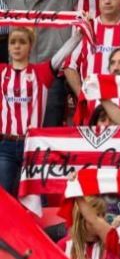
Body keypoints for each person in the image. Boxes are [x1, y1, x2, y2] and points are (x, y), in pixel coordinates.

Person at [0, 26, 81, 194]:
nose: (16, 46)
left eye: (22, 42)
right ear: (7, 46)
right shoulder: (2, 71)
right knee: (4, 198)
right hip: (5, 145)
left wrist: (81, 30)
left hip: (33, 146)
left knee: (34, 199)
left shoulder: (42, 72)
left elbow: (64, 51)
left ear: (31, 46)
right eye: (12, 42)